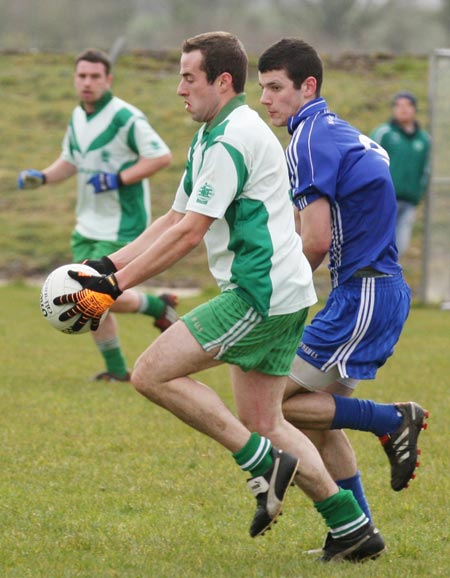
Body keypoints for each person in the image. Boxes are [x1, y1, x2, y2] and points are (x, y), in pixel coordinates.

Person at [52, 32, 386, 563]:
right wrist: (106, 265)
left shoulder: (232, 138)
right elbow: (173, 217)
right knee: (268, 421)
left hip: (259, 295)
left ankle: (261, 462)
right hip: (282, 291)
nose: (180, 89)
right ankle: (353, 528)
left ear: (221, 81)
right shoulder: (217, 133)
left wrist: (114, 289)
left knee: (150, 374)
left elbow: (188, 236)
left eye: (189, 77)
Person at [258, 38, 428, 546]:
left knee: (270, 405)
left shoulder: (307, 141)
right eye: (261, 87)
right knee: (319, 422)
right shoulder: (335, 130)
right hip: (372, 292)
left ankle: (390, 419)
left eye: (275, 87)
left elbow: (315, 239)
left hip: (364, 294)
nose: (265, 99)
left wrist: (275, 299)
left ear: (307, 87)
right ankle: (358, 534)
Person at [18, 48, 177, 382]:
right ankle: (125, 359)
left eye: (94, 76)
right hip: (86, 225)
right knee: (88, 298)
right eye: (82, 76)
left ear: (108, 80)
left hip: (123, 224)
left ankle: (156, 310)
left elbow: (160, 156)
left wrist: (117, 178)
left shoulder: (125, 117)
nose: (87, 82)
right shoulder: (78, 116)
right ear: (75, 79)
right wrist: (43, 176)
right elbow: (71, 160)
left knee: (91, 295)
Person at [370, 91, 431, 257]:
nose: (403, 109)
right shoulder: (384, 133)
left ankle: (392, 278)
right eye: (399, 105)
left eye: (407, 105)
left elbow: (425, 170)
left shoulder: (424, 140)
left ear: (414, 109)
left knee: (400, 245)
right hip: (385, 199)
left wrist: (418, 194)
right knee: (380, 242)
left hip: (409, 201)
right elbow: (370, 162)